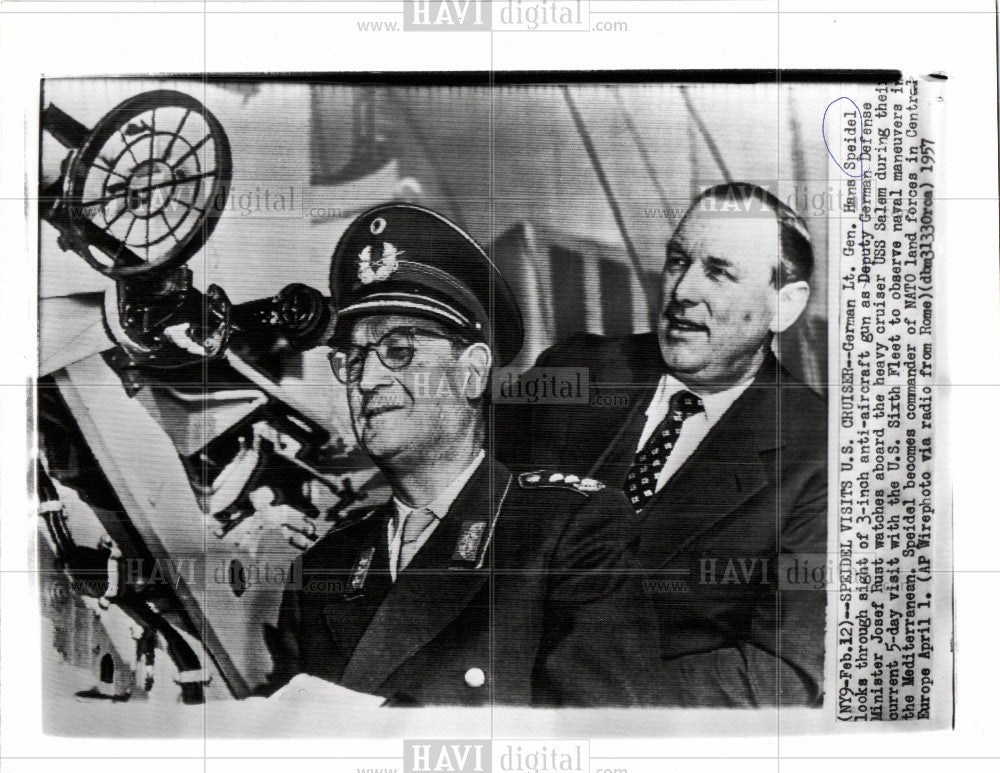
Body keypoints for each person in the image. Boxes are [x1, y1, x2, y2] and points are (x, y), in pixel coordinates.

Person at [262, 203, 656, 706]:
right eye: (353, 358)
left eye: (399, 350)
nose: (366, 379)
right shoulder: (324, 565)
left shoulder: (568, 532)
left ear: (472, 373)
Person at [496, 183, 828, 707]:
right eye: (678, 261)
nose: (682, 292)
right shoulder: (575, 371)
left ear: (783, 306)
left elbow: (783, 670)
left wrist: (583, 705)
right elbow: (461, 502)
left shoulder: (820, 456)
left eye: (718, 271)